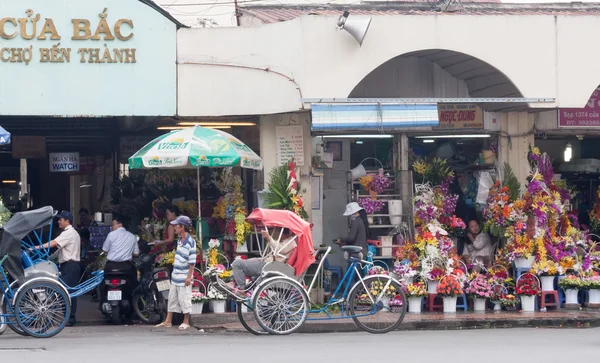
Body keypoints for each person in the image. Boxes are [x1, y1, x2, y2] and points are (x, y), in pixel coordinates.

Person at [35, 210, 81, 326]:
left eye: (61, 220)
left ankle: (69, 318)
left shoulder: (69, 232)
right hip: (69, 265)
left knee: (65, 292)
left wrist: (37, 247)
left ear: (67, 221)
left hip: (70, 265)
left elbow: (54, 243)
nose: (59, 221)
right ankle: (68, 318)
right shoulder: (70, 232)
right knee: (68, 292)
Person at [155, 216, 196, 331]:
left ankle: (186, 321)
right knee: (172, 298)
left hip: (184, 277)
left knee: (184, 299)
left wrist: (189, 277)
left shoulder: (190, 242)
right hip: (176, 275)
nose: (174, 228)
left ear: (182, 227)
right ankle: (168, 321)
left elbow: (192, 262)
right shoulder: (179, 240)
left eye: (176, 226)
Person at [228, 227, 297, 293]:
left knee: (237, 264)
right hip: (268, 262)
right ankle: (233, 282)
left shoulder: (291, 242)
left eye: (278, 232)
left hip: (269, 266)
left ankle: (241, 289)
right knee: (241, 261)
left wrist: (268, 237)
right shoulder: (286, 241)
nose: (277, 234)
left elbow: (279, 248)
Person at [102, 215, 139, 287]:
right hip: (126, 267)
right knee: (134, 284)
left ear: (120, 224)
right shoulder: (132, 236)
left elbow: (105, 249)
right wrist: (127, 252)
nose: (112, 227)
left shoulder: (111, 235)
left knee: (104, 283)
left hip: (111, 266)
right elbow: (136, 253)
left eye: (113, 225)